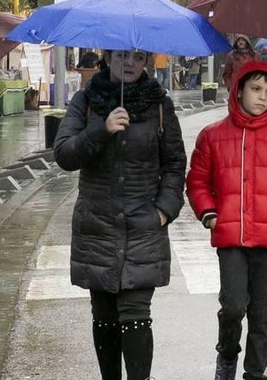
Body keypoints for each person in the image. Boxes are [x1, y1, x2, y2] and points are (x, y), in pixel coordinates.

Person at [53, 49, 186, 380]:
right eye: (123, 56)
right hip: (98, 224)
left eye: (139, 58)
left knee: (136, 313)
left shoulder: (159, 104)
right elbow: (64, 154)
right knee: (104, 315)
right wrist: (102, 128)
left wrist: (164, 210)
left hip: (144, 225)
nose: (130, 63)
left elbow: (174, 163)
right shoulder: (86, 100)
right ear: (108, 57)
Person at [187, 60, 267, 380]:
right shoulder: (213, 136)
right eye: (255, 89)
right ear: (239, 90)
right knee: (235, 306)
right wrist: (209, 214)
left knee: (263, 313)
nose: (262, 97)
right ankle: (227, 355)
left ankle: (255, 372)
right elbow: (197, 181)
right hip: (230, 238)